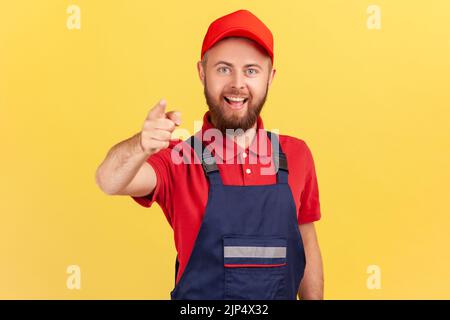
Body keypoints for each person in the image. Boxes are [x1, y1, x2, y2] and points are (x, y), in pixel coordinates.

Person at [95, 9, 323, 300]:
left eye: (251, 70)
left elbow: (306, 240)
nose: (237, 84)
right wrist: (141, 144)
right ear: (202, 72)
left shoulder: (296, 155)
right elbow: (108, 181)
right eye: (223, 68)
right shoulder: (179, 158)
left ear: (270, 77)